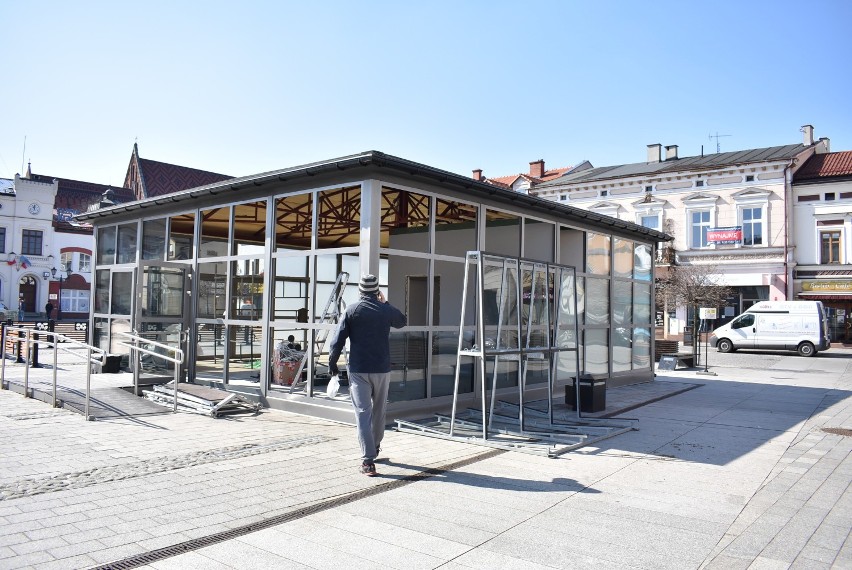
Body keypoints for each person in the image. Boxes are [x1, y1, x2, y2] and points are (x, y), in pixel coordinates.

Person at [328, 274, 406, 476]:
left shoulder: (352, 310)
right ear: (376, 291)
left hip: (359, 370)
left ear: (360, 290)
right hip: (381, 369)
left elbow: (337, 340)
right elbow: (402, 321)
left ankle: (368, 461)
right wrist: (385, 301)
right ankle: (375, 446)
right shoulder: (384, 310)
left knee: (363, 413)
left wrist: (332, 364)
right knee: (379, 411)